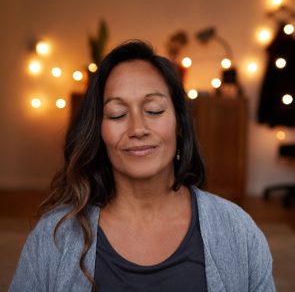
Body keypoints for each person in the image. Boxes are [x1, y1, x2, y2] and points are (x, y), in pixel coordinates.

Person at [9, 40, 275, 292]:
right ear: (98, 131)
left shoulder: (238, 231)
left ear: (179, 124)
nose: (137, 129)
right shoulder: (54, 237)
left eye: (155, 110)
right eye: (117, 114)